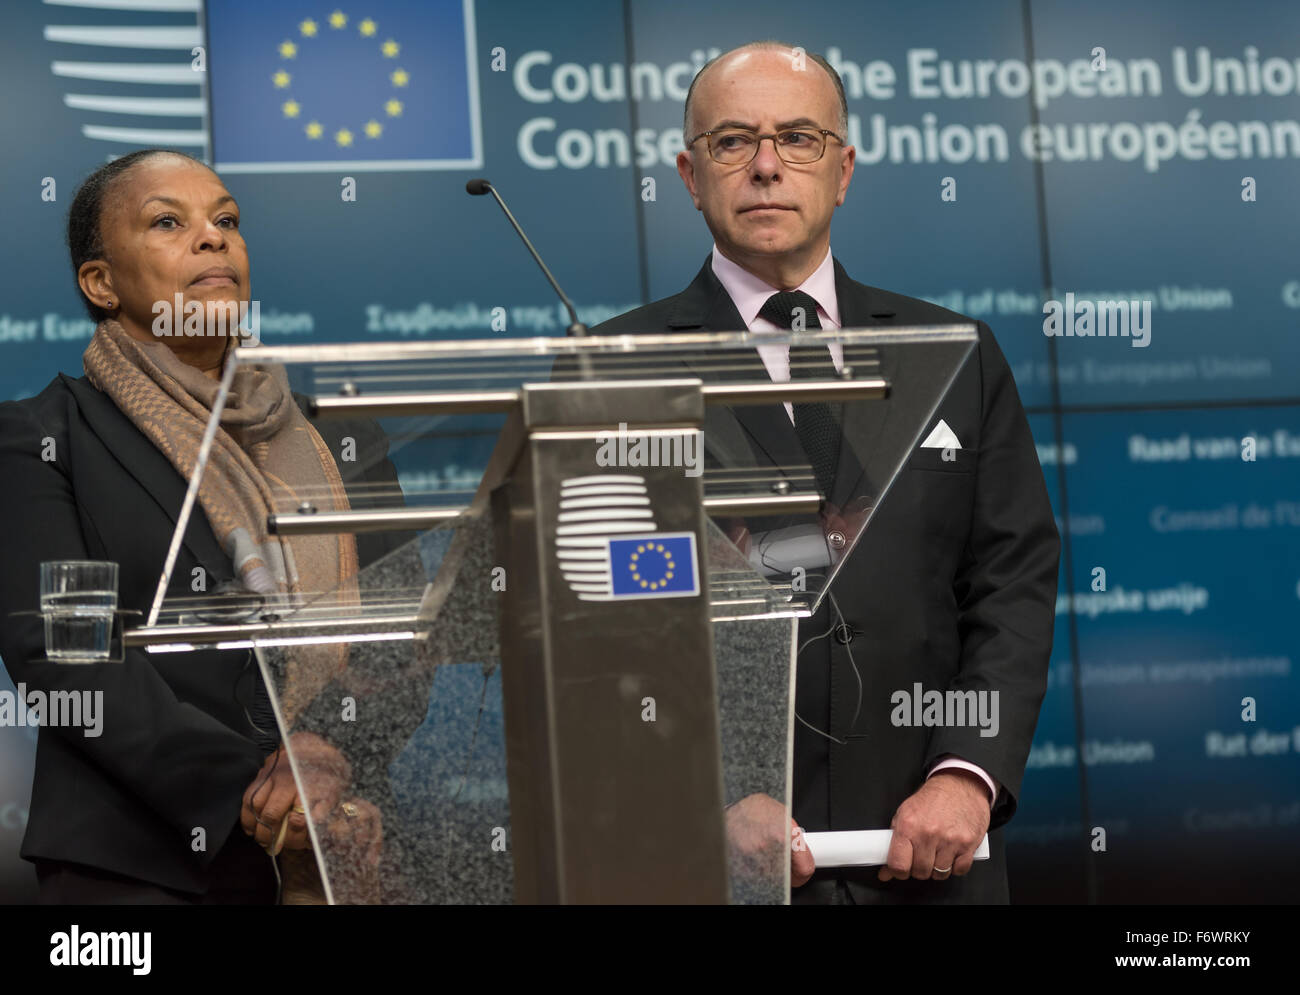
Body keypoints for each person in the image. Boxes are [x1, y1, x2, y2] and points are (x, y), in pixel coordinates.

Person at [592, 42, 1060, 903]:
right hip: (718, 868)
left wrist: (968, 775)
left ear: (842, 170)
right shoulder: (612, 368)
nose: (767, 166)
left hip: (934, 860)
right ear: (690, 176)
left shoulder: (954, 352)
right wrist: (707, 796)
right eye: (734, 142)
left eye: (797, 138)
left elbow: (1011, 581)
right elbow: (593, 627)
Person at [0, 149, 410, 903]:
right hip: (139, 866)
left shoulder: (337, 434)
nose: (215, 238)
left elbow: (407, 635)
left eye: (227, 220)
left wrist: (330, 761)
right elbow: (66, 655)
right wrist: (257, 783)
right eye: (168, 222)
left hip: (339, 845)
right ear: (100, 281)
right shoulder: (41, 439)